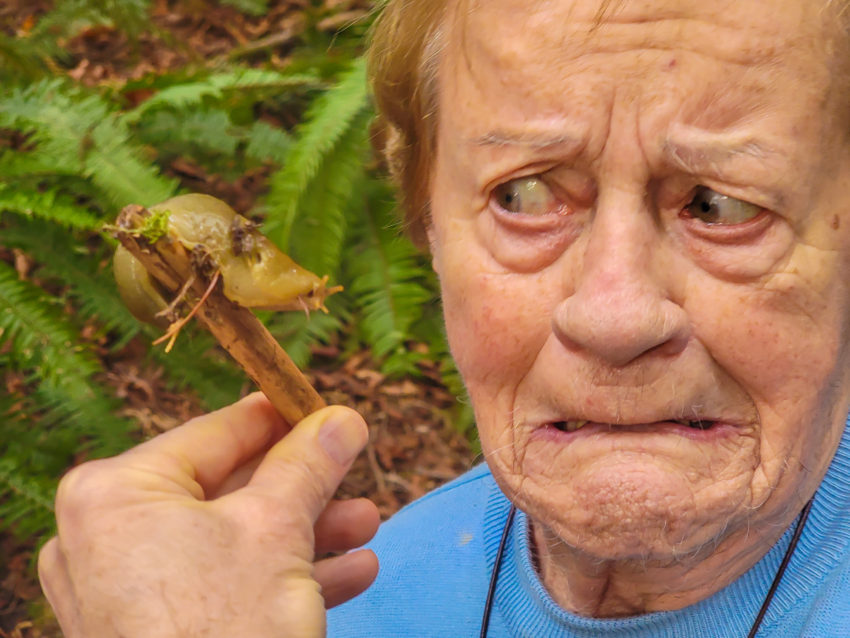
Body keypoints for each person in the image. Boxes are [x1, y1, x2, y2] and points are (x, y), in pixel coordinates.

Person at [38, 0, 850, 635]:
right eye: (525, 195)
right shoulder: (319, 601)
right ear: (427, 222)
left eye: (720, 205)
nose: (614, 315)